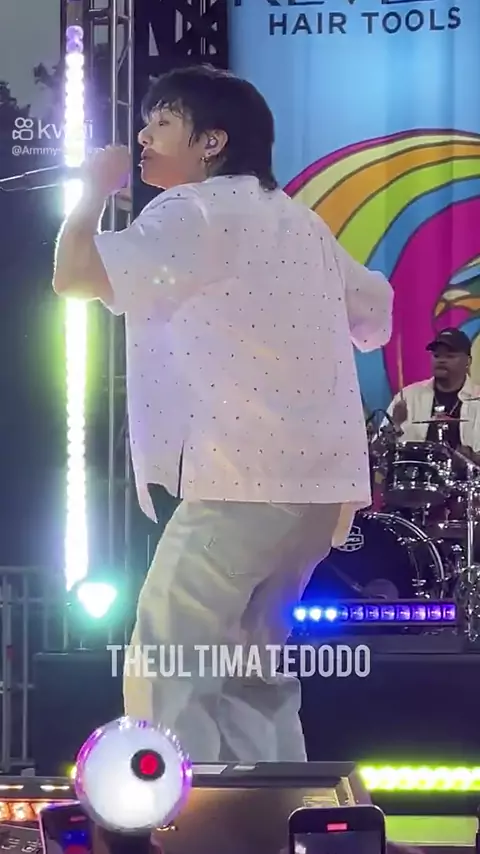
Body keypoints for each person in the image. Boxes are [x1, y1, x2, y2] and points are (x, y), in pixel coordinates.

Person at [52, 64, 393, 761]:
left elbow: (74, 276)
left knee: (169, 657)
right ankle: (267, 810)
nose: (143, 137)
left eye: (162, 121)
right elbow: (375, 313)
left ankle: (182, 810)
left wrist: (91, 192)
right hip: (318, 488)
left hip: (241, 477)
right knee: (251, 669)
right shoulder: (300, 221)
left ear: (212, 141)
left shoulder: (193, 211)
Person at [387, 328, 480, 462]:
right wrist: (395, 425)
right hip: (417, 473)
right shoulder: (408, 397)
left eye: (450, 356)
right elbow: (378, 450)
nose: (441, 361)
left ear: (468, 361)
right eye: (437, 356)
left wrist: (472, 457)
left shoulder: (477, 398)